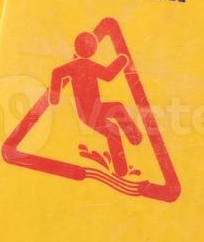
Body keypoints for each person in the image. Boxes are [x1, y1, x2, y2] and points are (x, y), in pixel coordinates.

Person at [50, 31, 143, 177]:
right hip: (88, 114)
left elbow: (57, 73)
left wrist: (55, 96)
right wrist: (121, 61)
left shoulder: (83, 65)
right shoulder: (79, 66)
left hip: (96, 108)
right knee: (112, 130)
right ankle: (121, 170)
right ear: (94, 50)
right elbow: (109, 74)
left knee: (118, 108)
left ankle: (135, 138)